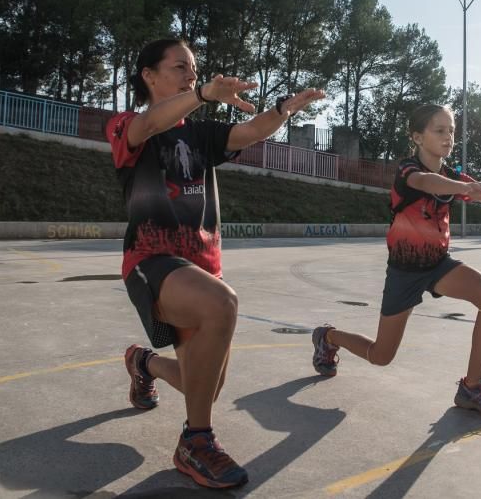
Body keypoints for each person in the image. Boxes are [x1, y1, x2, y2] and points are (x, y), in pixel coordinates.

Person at [107, 38, 324, 489]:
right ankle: (196, 441)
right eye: (180, 66)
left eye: (194, 68)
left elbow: (249, 132)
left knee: (197, 383)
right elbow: (146, 125)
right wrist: (203, 92)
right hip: (152, 259)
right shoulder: (128, 125)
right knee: (222, 304)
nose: (190, 73)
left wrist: (285, 108)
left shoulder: (200, 135)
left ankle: (143, 364)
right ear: (148, 74)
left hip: (201, 265)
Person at [309, 103, 481, 419]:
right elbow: (427, 183)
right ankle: (327, 337)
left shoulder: (452, 177)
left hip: (438, 264)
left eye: (451, 130)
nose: (449, 136)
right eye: (439, 130)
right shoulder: (407, 171)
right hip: (405, 271)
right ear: (417, 137)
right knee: (381, 355)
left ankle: (472, 387)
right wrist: (464, 187)